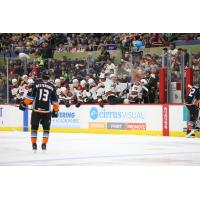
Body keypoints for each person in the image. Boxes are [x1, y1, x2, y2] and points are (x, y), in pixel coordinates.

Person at [19, 71, 59, 150]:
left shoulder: (36, 85)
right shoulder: (52, 86)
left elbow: (30, 98)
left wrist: (24, 104)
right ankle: (44, 144)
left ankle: (34, 144)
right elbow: (55, 101)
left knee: (34, 128)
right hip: (46, 111)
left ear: (42, 76)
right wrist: (56, 110)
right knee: (46, 129)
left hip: (36, 111)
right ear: (48, 77)